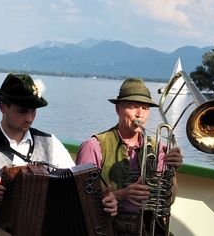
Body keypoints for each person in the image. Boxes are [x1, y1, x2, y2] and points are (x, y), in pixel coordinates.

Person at [0, 73, 117, 235]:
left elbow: (77, 185)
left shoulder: (51, 143)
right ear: (3, 107)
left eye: (33, 111)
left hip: (45, 227)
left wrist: (102, 200)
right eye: (22, 111)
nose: (30, 118)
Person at [76, 77, 184, 236]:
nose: (140, 114)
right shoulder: (94, 146)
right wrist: (122, 194)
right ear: (118, 109)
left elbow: (169, 200)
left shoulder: (159, 147)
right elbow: (81, 200)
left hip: (150, 226)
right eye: (134, 107)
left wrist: (172, 171)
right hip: (107, 227)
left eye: (145, 108)